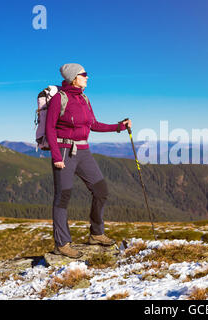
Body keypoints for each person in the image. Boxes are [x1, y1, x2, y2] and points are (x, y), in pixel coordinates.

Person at [46, 63, 131, 258]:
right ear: (74, 77)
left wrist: (119, 127)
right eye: (84, 75)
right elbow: (50, 129)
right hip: (64, 151)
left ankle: (96, 233)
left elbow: (93, 124)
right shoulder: (60, 98)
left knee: (101, 190)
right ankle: (62, 243)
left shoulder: (84, 98)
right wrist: (56, 156)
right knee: (63, 197)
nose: (87, 77)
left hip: (84, 151)